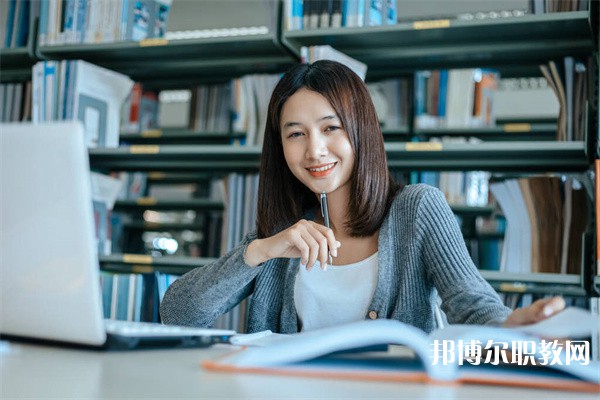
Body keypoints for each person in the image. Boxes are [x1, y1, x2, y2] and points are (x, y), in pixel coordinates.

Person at [160, 60, 565, 333]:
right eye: (296, 134)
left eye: (330, 128)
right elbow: (176, 313)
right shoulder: (282, 235)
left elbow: (472, 304)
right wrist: (259, 251)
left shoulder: (417, 208)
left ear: (360, 131)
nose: (314, 150)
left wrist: (514, 327)